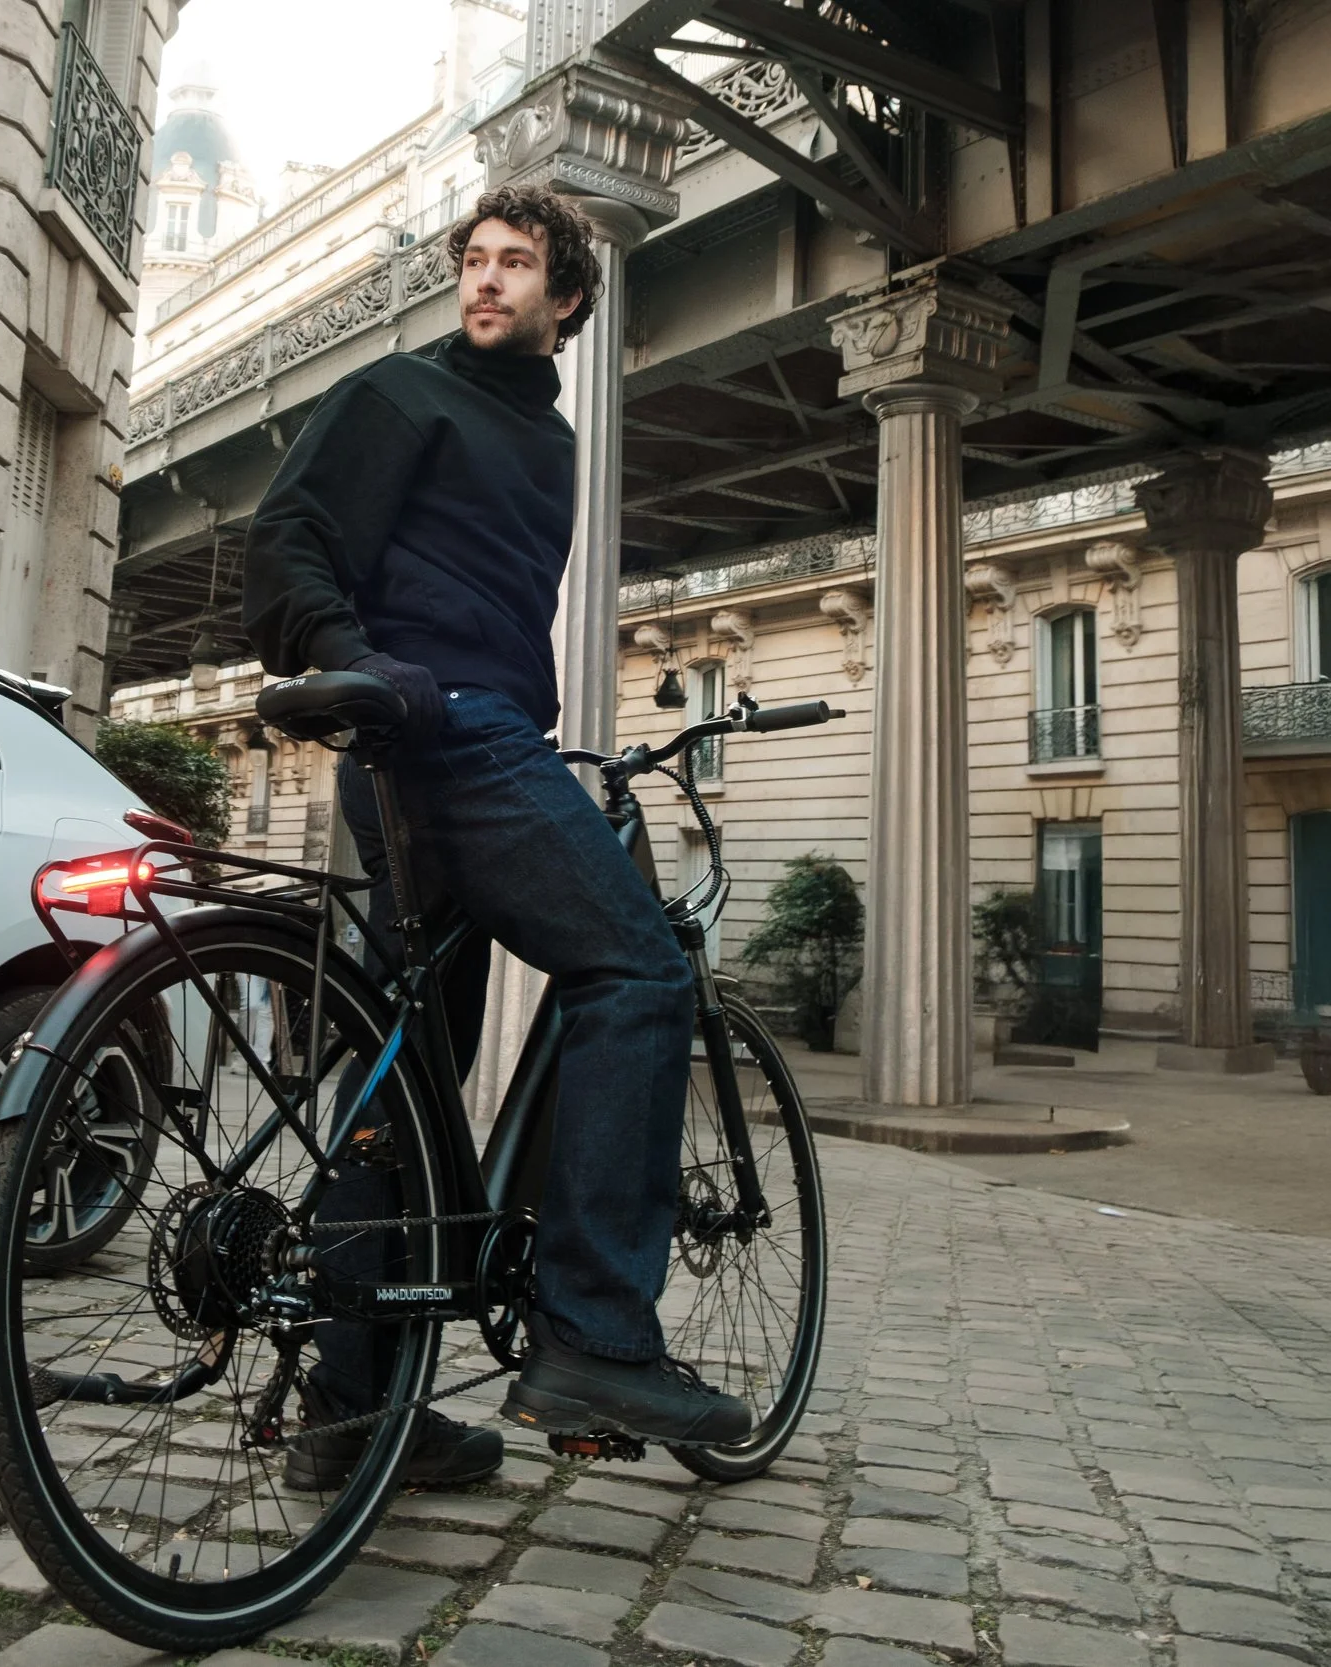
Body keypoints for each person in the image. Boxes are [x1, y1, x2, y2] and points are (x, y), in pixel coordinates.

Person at [242, 184, 752, 1492]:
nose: (485, 279)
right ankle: (592, 1330)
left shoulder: (551, 441)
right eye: (473, 259)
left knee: (407, 1075)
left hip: (449, 741)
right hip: (445, 736)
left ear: (567, 298)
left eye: (515, 263)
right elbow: (290, 532)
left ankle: (356, 1411)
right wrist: (359, 663)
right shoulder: (402, 392)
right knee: (640, 969)